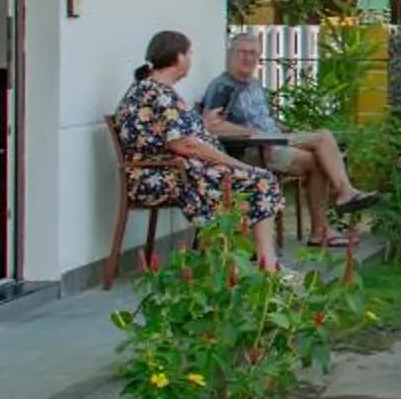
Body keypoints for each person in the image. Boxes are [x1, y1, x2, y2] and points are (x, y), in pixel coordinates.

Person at [113, 29, 287, 272]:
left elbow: (177, 134)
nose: (191, 59)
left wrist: (203, 122)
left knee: (253, 182)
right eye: (190, 53)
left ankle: (250, 261)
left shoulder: (153, 90)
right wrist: (234, 164)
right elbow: (185, 145)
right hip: (164, 175)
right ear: (178, 57)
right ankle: (261, 264)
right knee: (260, 181)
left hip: (176, 171)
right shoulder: (158, 94)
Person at [198, 33, 379, 249]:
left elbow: (263, 118)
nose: (248, 58)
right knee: (323, 137)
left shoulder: (253, 84)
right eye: (242, 52)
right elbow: (211, 125)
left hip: (275, 141)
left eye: (253, 53)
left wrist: (286, 128)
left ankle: (323, 228)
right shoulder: (222, 87)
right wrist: (250, 133)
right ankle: (343, 196)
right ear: (230, 54)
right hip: (252, 152)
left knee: (320, 156)